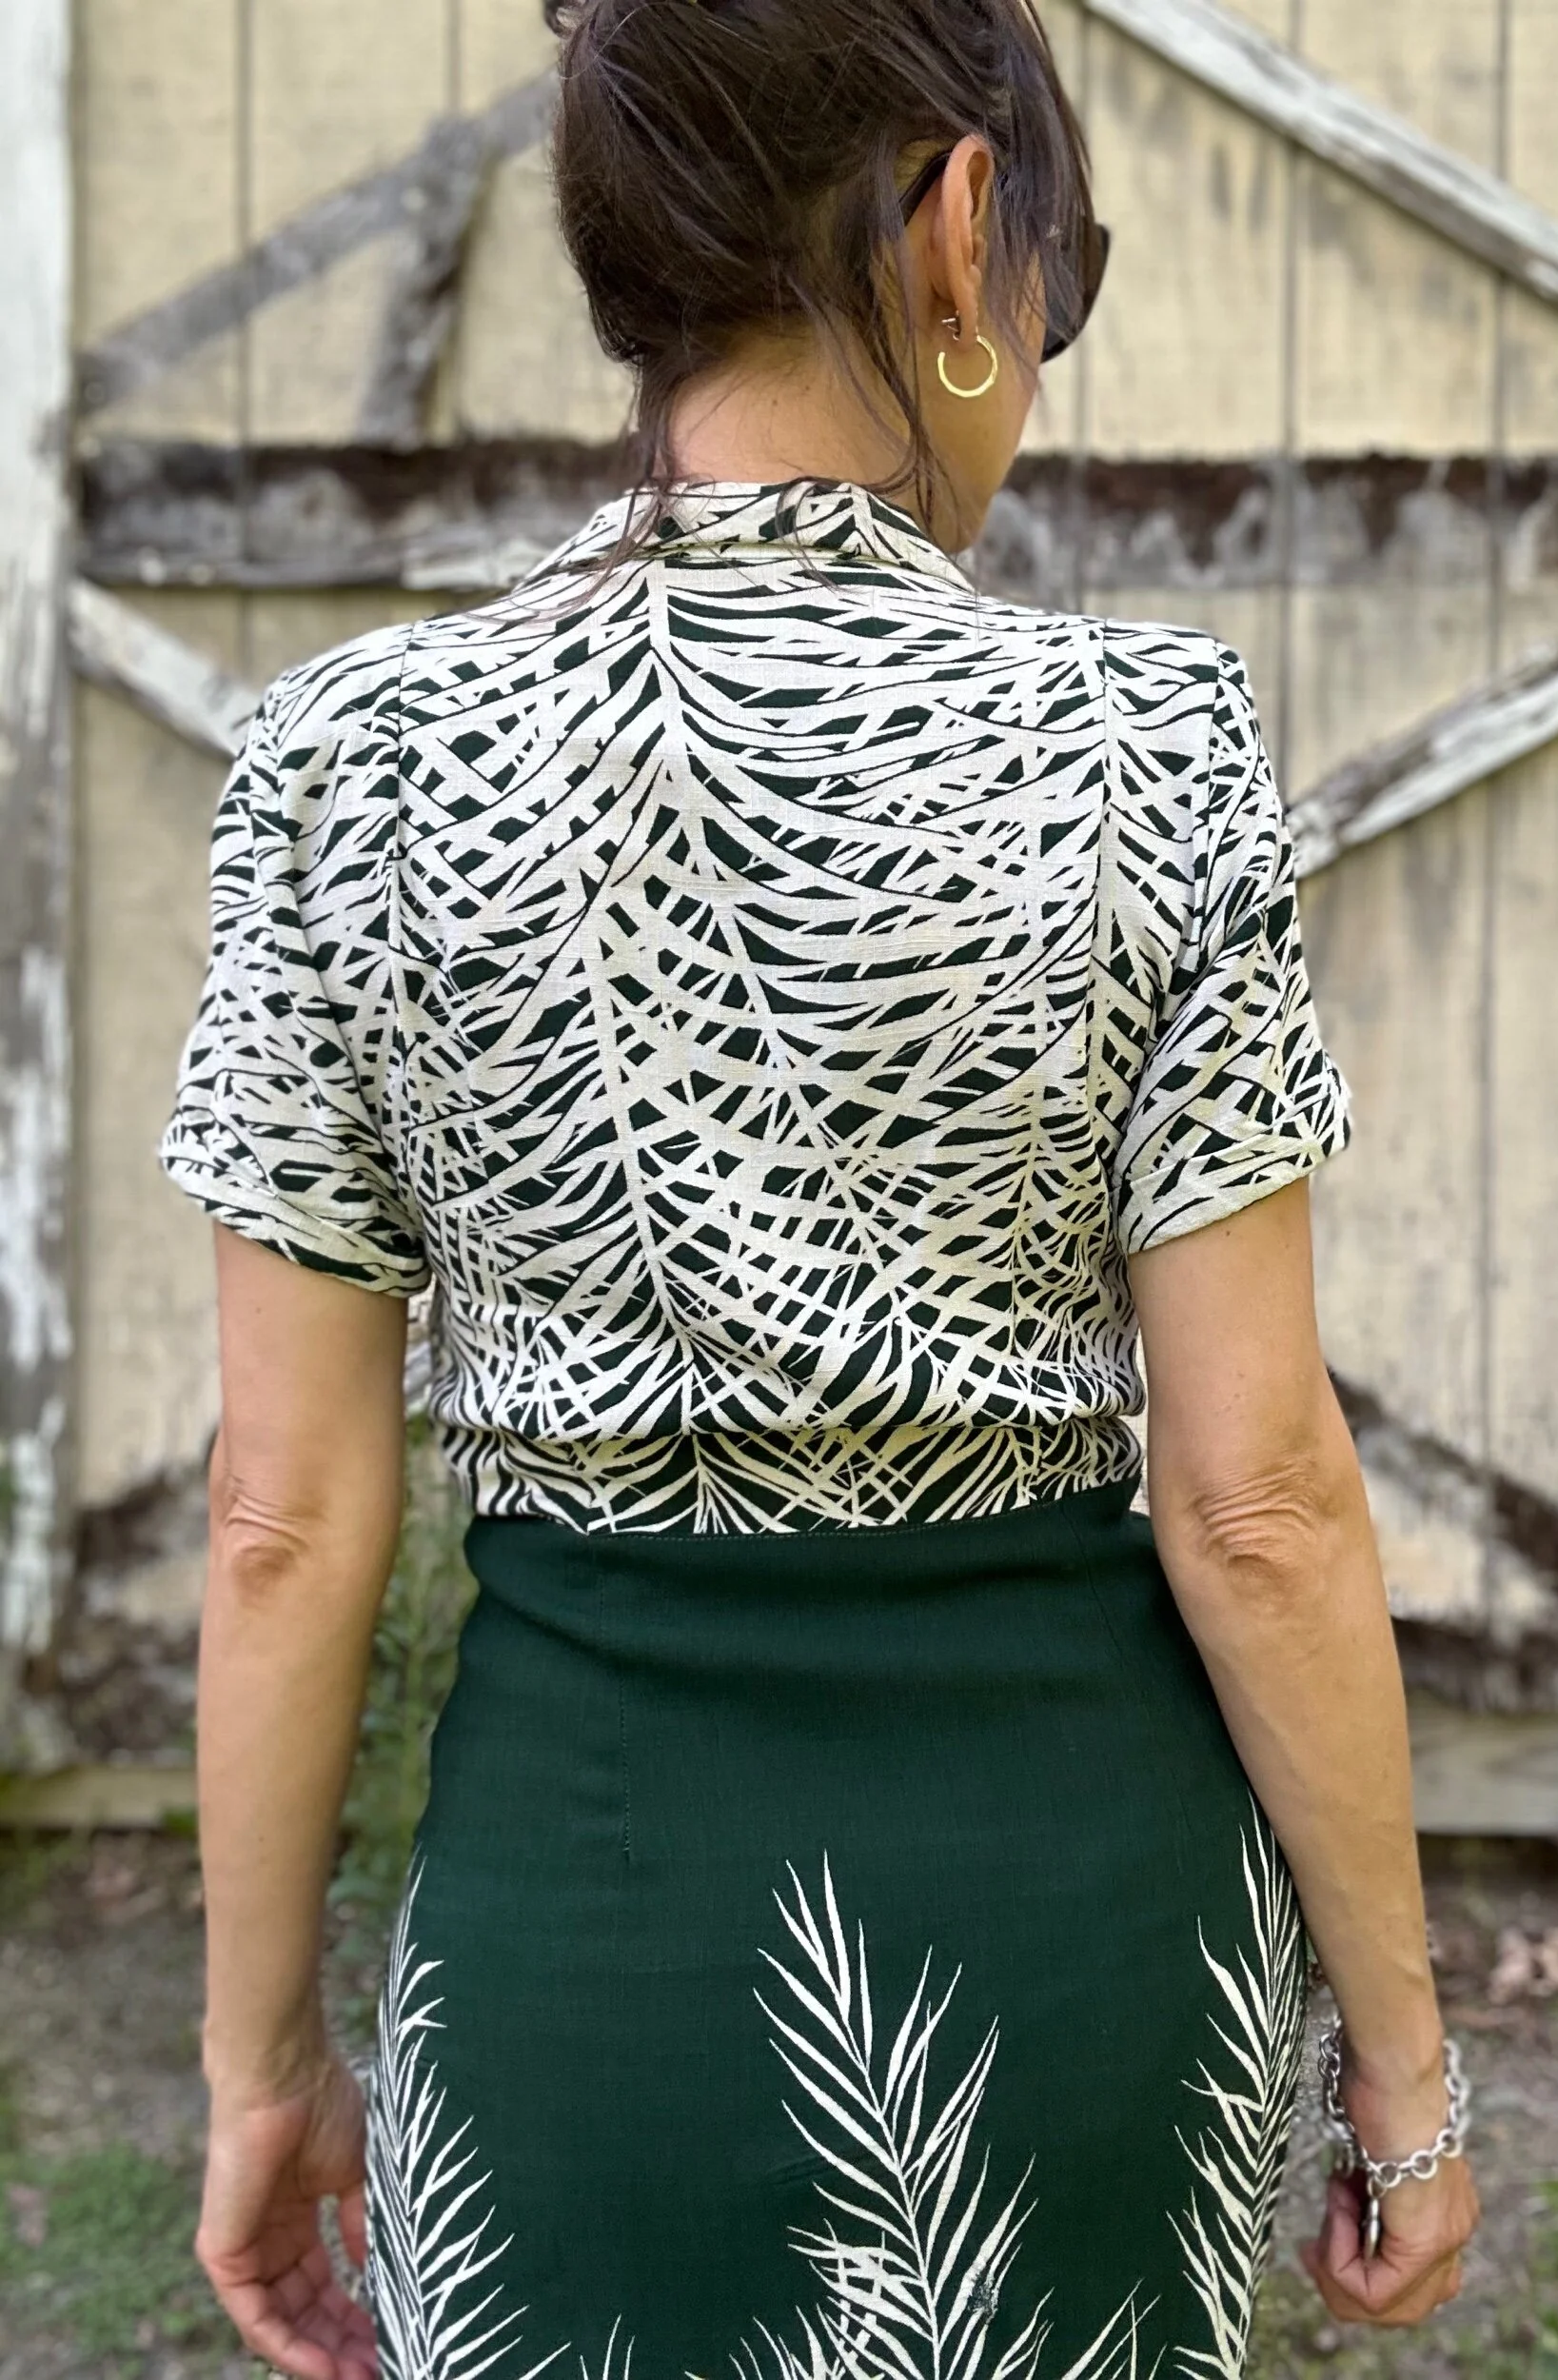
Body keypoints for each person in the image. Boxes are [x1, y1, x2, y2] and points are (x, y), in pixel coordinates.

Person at [160, 4, 1479, 2375]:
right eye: (1059, 288)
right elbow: (1260, 1499)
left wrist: (261, 2073)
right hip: (1074, 1971)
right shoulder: (1145, 749)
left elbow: (280, 1519)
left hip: (578, 1962)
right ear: (961, 225)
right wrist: (1402, 2059)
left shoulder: (349, 767)